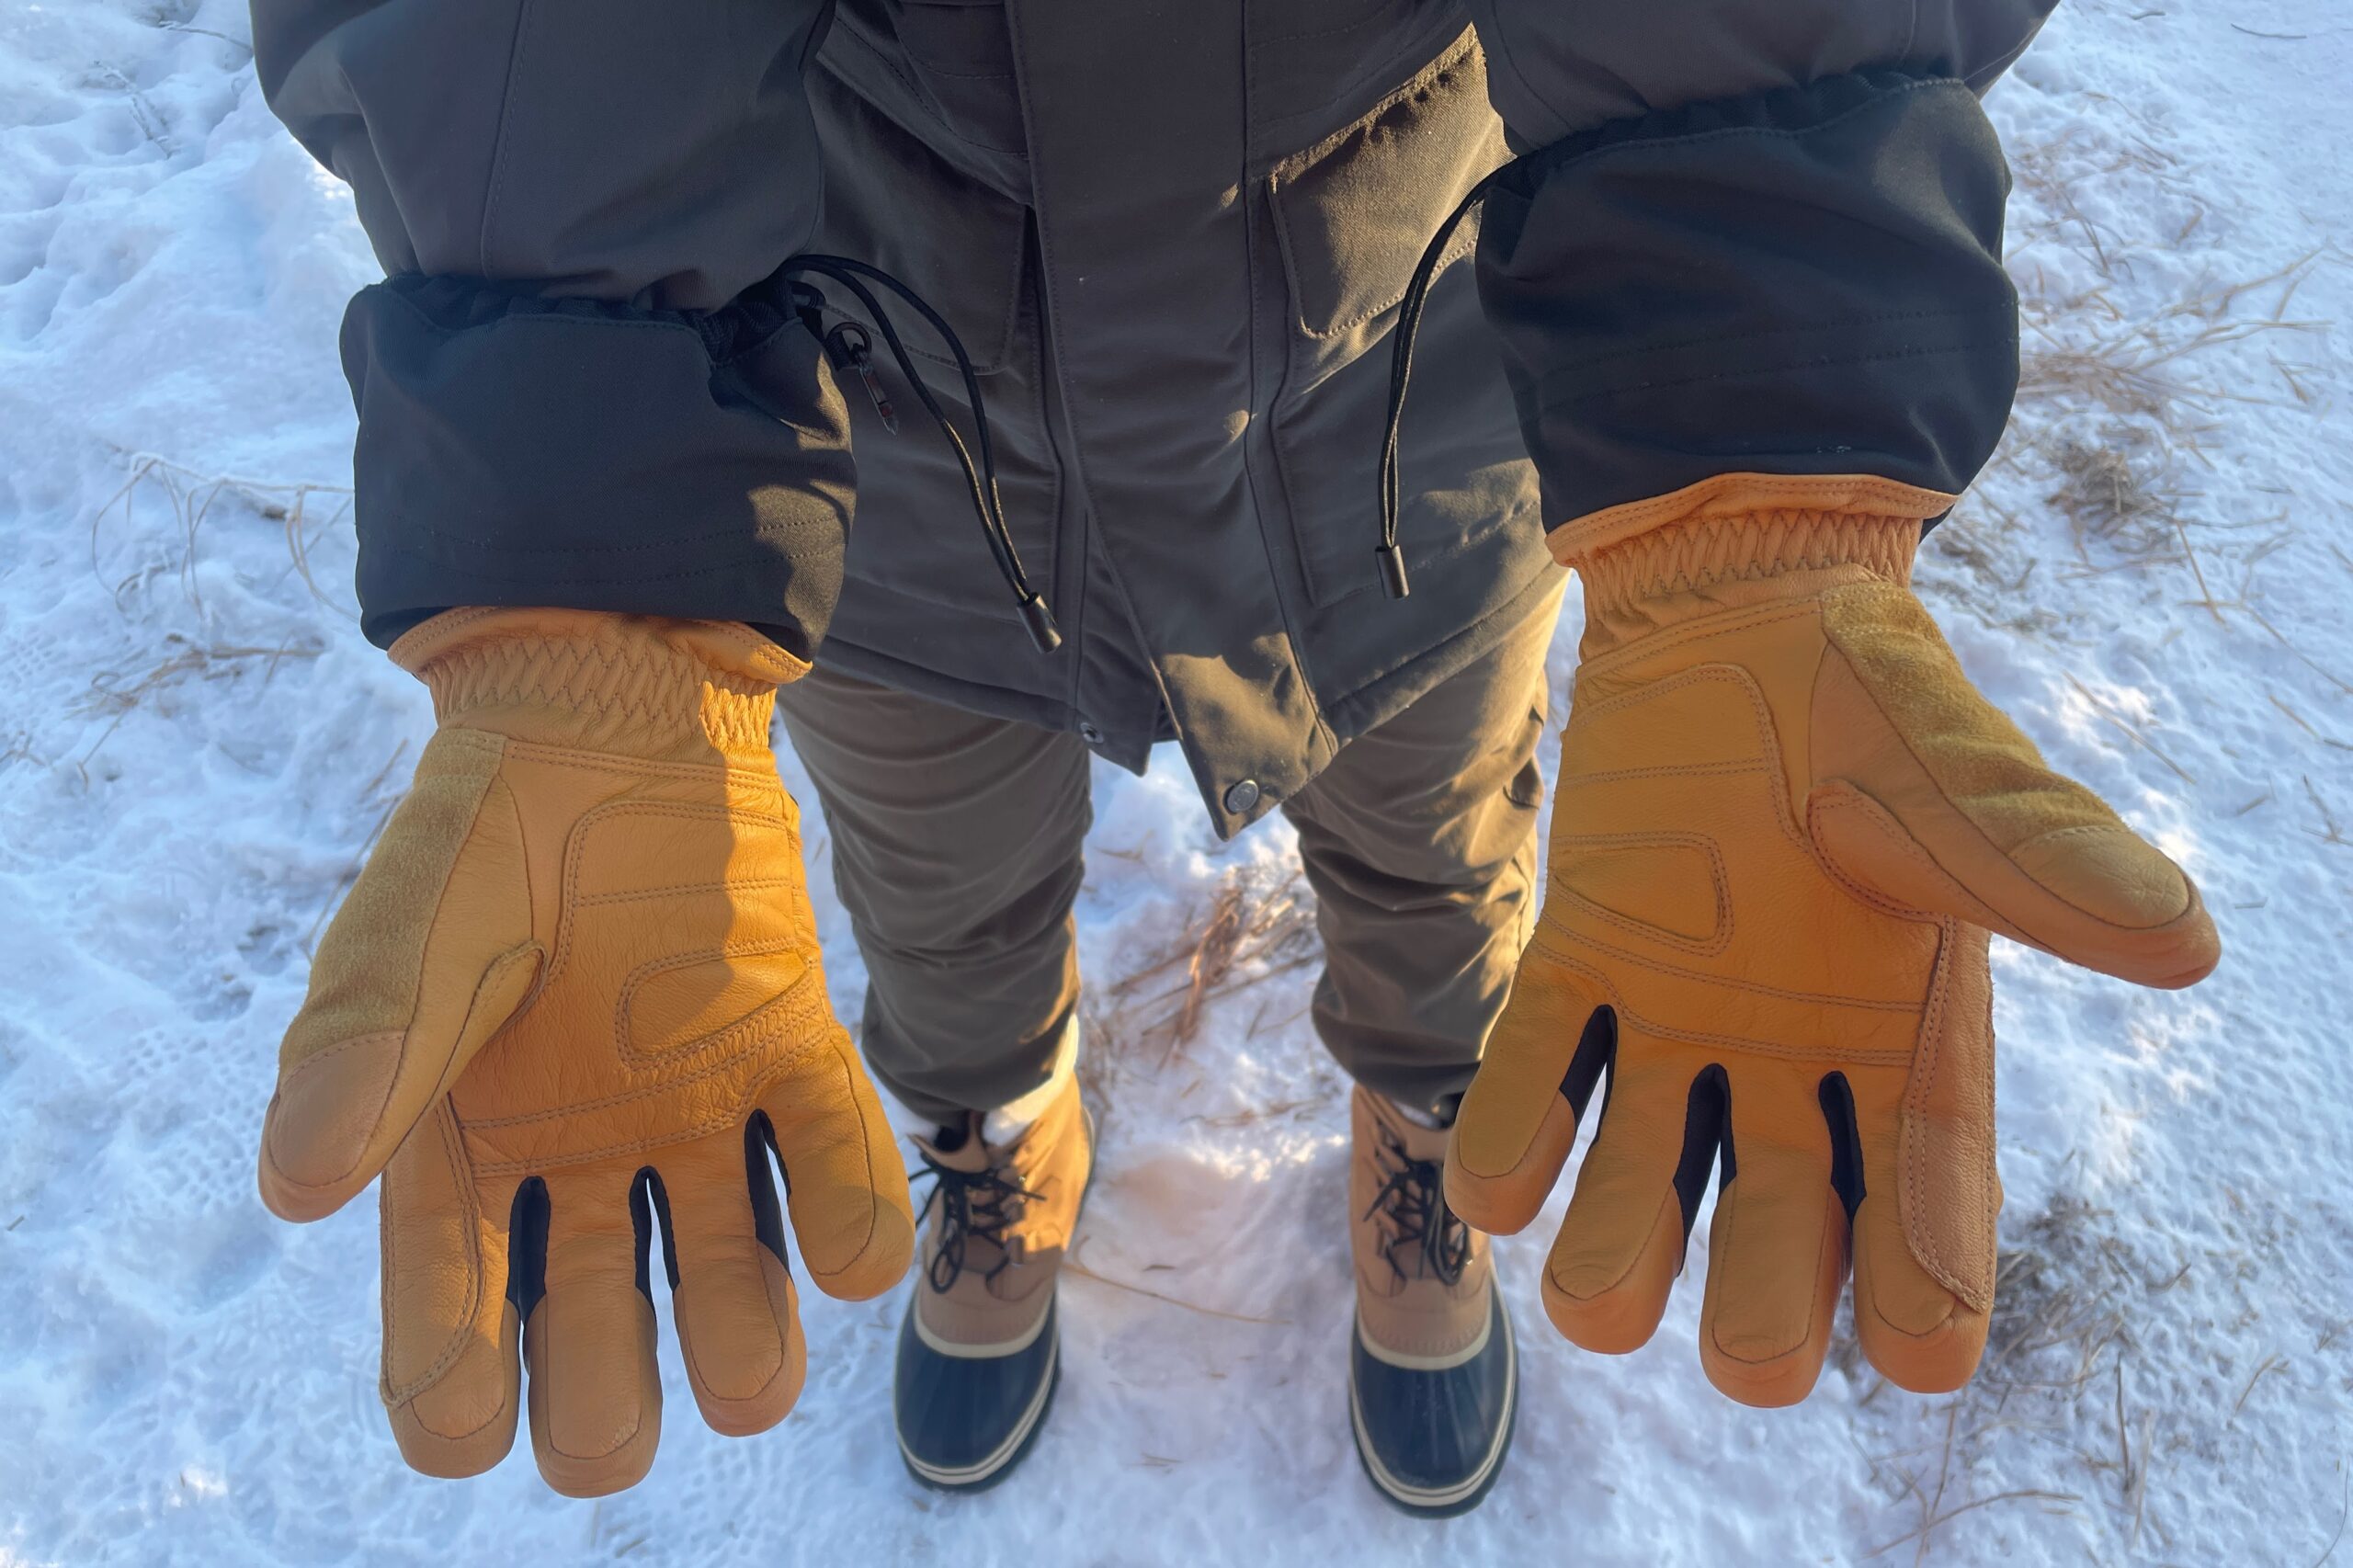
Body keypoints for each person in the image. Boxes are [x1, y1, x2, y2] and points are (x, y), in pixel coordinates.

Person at [246, 0, 2220, 1517]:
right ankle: (996, 1126)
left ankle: (1428, 1123)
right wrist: (585, 544)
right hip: (873, 419)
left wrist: (1751, 435)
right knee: (930, 872)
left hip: (1400, 386)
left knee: (1442, 840)